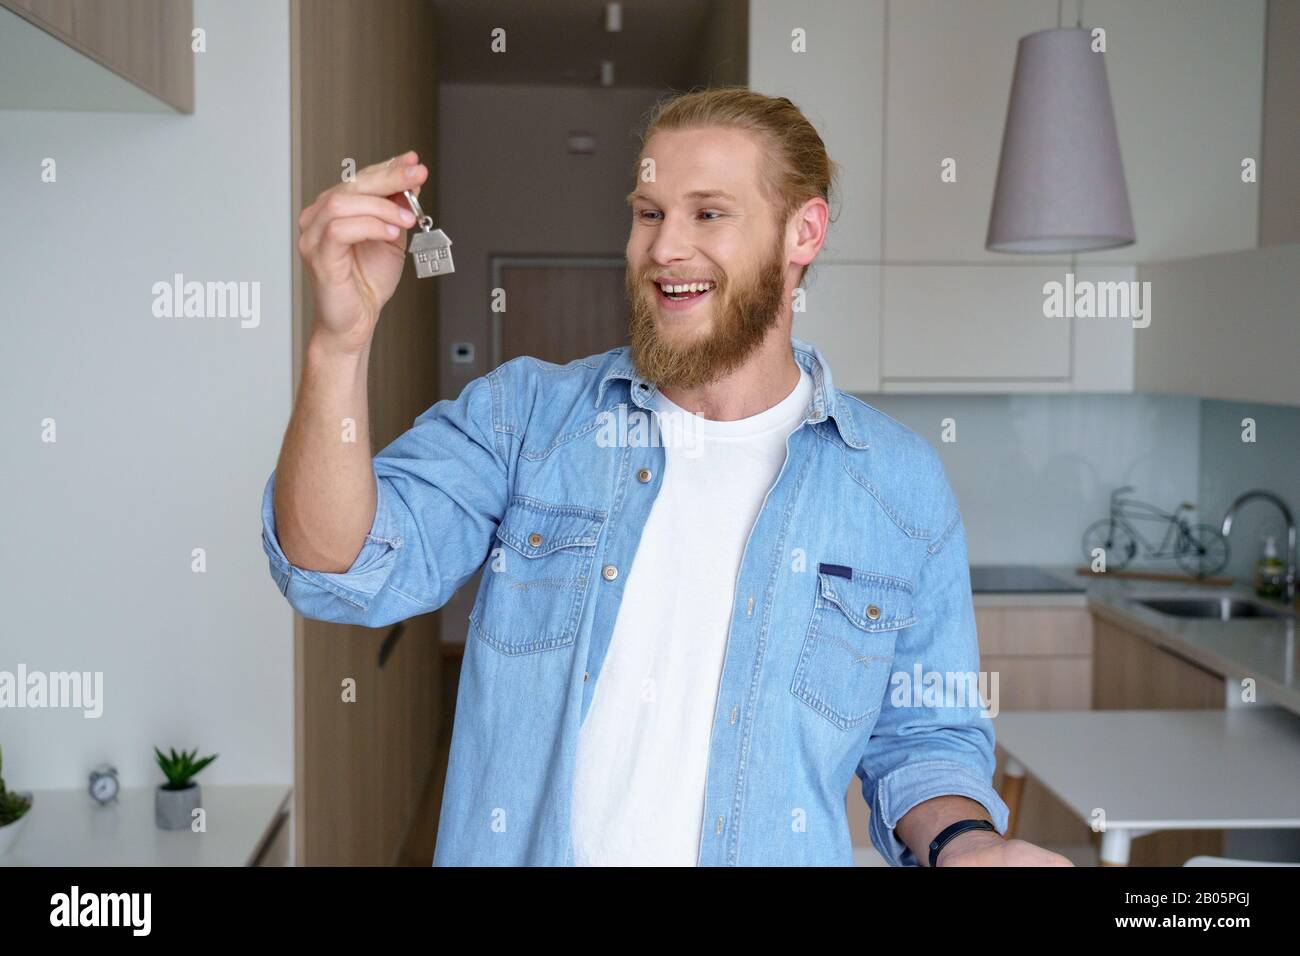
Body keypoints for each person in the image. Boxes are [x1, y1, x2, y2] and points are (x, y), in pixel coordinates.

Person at [262, 86, 1071, 867]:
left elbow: (925, 738)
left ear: (804, 233)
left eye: (708, 214)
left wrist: (967, 844)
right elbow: (335, 566)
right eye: (648, 214)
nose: (664, 248)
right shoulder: (526, 420)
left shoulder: (898, 485)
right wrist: (340, 342)